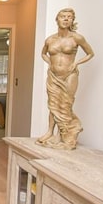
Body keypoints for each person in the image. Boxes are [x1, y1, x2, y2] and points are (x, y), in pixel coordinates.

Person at [37, 8, 95, 149]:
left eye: (69, 17)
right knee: (53, 104)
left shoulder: (76, 38)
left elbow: (90, 53)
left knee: (65, 104)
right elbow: (43, 53)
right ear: (57, 19)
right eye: (63, 16)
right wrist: (50, 62)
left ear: (72, 21)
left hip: (69, 75)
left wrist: (76, 63)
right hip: (53, 75)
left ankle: (62, 134)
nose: (66, 19)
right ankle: (50, 132)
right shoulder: (50, 39)